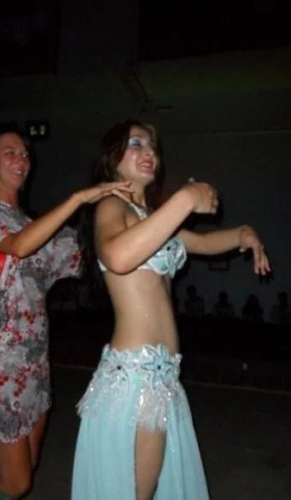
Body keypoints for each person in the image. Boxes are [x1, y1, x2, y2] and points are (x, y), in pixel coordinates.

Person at [72, 119, 270, 500]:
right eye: (136, 143)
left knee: (148, 489)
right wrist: (185, 200)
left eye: (152, 146)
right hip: (137, 375)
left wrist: (243, 233)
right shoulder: (111, 205)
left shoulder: (151, 217)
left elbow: (203, 243)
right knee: (137, 493)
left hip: (160, 374)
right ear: (112, 157)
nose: (149, 152)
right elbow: (117, 256)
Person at [0, 125, 132, 498]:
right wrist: (79, 198)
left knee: (29, 467)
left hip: (37, 362)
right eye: (10, 152)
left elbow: (92, 251)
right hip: (1, 363)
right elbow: (19, 246)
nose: (21, 159)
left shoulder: (38, 226)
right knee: (17, 481)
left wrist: (124, 206)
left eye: (25, 153)